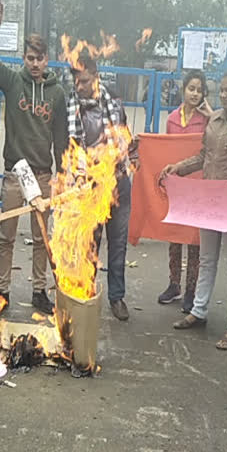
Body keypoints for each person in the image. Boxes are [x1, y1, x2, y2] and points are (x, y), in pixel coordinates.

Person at [159, 67, 227, 350]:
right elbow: (203, 156)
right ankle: (199, 311)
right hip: (210, 201)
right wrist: (179, 168)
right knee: (207, 259)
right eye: (221, 90)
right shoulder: (215, 120)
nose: (223, 95)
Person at [0, 0, 68, 315]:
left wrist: (62, 173)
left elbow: (61, 137)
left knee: (41, 237)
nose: (35, 63)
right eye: (30, 58)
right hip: (14, 175)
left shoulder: (57, 93)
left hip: (43, 175)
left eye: (40, 58)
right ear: (24, 59)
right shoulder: (12, 82)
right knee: (6, 237)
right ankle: (2, 290)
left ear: (48, 60)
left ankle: (38, 290)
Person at [67, 56, 137, 320]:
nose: (80, 86)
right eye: (75, 81)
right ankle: (87, 292)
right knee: (90, 243)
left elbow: (124, 132)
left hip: (118, 181)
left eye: (84, 80)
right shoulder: (72, 107)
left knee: (118, 243)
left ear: (95, 75)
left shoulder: (114, 99)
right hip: (91, 184)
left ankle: (116, 297)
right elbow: (71, 147)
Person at [157, 70, 212, 312]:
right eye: (191, 88)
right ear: (184, 89)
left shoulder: (208, 120)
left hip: (198, 186)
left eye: (199, 90)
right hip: (177, 186)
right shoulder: (171, 119)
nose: (195, 93)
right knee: (175, 237)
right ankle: (174, 284)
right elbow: (166, 149)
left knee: (194, 240)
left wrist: (212, 116)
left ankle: (191, 290)